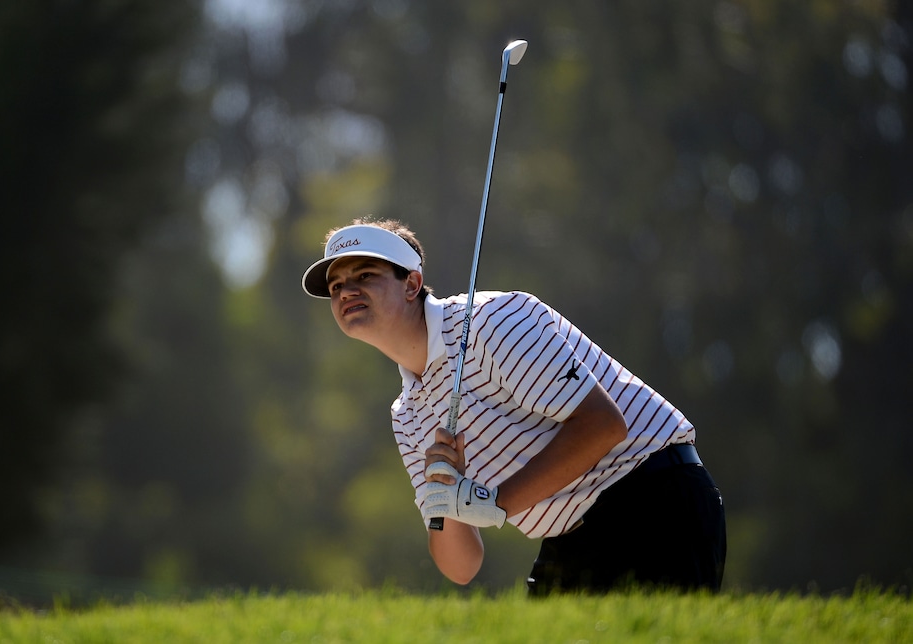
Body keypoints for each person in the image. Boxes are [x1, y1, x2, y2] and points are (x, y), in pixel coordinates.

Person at [301, 216, 726, 595]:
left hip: (655, 500)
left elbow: (603, 424)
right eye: (336, 286)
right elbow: (462, 566)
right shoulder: (406, 414)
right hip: (569, 538)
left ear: (411, 283)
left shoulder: (491, 320)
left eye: (365, 275)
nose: (346, 292)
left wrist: (494, 500)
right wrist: (449, 497)